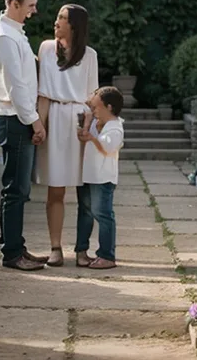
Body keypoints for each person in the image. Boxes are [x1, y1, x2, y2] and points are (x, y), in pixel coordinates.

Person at [0, 0, 48, 271]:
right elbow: (16, 88)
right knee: (17, 189)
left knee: (17, 188)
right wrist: (35, 122)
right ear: (14, 4)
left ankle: (14, 245)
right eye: (30, 6)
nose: (33, 11)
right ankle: (12, 254)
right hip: (14, 119)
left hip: (15, 118)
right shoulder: (5, 39)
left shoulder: (15, 34)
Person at [35, 4, 99, 267]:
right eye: (57, 16)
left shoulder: (90, 55)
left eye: (62, 18)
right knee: (56, 190)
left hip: (80, 123)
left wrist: (90, 129)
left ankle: (82, 250)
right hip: (56, 121)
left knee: (85, 191)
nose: (56, 21)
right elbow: (44, 94)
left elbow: (93, 97)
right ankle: (55, 248)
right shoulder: (47, 48)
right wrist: (39, 125)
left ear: (75, 25)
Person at [75, 86, 124, 269]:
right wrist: (88, 123)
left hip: (103, 179)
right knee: (85, 212)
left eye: (96, 108)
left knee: (102, 214)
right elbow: (85, 137)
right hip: (88, 175)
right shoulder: (96, 123)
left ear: (109, 107)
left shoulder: (115, 128)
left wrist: (91, 137)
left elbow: (106, 148)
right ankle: (81, 250)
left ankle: (107, 255)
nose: (93, 111)